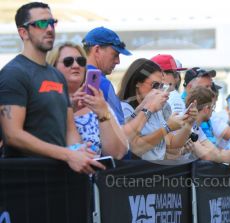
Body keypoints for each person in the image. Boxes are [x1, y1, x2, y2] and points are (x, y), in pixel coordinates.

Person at [0, 2, 104, 173]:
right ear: (23, 32)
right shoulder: (13, 73)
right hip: (26, 177)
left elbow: (70, 129)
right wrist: (67, 154)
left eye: (51, 22)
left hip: (60, 176)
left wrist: (80, 151)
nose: (49, 29)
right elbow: (13, 135)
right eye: (41, 24)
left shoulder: (56, 76)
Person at [46, 42, 128, 159]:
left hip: (95, 175)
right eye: (68, 61)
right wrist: (69, 110)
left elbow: (117, 153)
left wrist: (103, 113)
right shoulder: (43, 101)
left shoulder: (98, 102)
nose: (76, 65)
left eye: (81, 61)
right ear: (53, 66)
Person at [117, 58, 195, 160]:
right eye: (155, 85)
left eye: (161, 85)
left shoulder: (157, 109)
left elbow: (172, 144)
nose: (159, 90)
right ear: (137, 82)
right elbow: (135, 148)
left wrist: (189, 123)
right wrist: (167, 128)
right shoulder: (125, 109)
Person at [82, 26, 132, 126]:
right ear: (97, 50)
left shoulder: (72, 77)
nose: (118, 61)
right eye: (115, 54)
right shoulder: (102, 83)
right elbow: (120, 130)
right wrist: (146, 111)